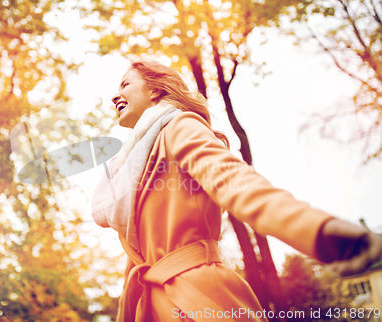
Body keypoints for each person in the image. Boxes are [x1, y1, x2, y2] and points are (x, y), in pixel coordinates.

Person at [90, 59, 382, 322]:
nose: (115, 95)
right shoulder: (130, 168)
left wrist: (317, 230)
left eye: (125, 84)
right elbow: (142, 256)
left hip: (197, 300)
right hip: (151, 307)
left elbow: (235, 181)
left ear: (155, 91)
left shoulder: (178, 126)